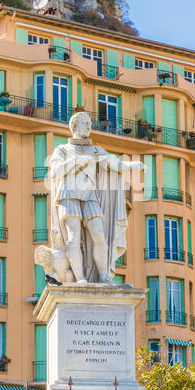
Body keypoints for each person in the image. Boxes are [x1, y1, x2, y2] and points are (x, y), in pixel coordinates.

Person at [50, 112, 146, 284]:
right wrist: (75, 162)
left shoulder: (96, 151)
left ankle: (103, 275)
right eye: (85, 123)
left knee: (99, 234)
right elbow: (55, 172)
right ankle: (80, 278)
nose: (89, 126)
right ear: (74, 126)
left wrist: (134, 165)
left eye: (90, 123)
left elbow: (115, 164)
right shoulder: (63, 150)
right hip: (68, 194)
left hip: (89, 195)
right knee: (73, 236)